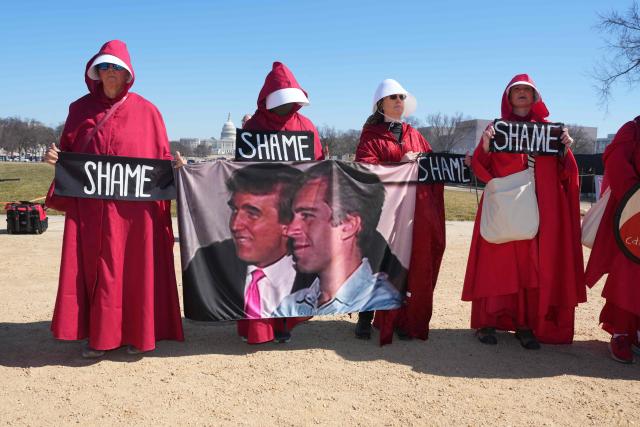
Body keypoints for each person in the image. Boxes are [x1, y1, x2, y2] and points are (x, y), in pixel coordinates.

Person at [43, 40, 183, 358]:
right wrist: (55, 158)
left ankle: (136, 333)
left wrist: (176, 168)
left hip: (134, 214)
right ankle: (98, 335)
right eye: (104, 66)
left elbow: (160, 161)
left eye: (116, 67)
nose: (109, 73)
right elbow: (69, 155)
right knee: (95, 270)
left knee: (134, 271)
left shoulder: (148, 112)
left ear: (127, 74)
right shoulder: (78, 109)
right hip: (92, 210)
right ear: (95, 71)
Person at [462, 74, 585, 349]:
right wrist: (484, 147)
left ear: (535, 97)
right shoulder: (497, 129)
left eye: (526, 90)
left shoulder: (550, 131)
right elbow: (483, 170)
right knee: (499, 260)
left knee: (532, 265)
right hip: (505, 205)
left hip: (539, 208)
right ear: (508, 97)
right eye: (516, 89)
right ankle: (488, 321)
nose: (521, 93)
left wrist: (565, 148)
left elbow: (567, 173)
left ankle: (524, 322)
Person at [237, 61, 325, 343]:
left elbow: (317, 164)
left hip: (295, 210)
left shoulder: (306, 125)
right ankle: (259, 326)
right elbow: (242, 169)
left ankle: (284, 322)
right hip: (263, 211)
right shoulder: (254, 126)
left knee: (291, 270)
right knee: (261, 270)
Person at [354, 79, 446, 344]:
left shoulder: (414, 134)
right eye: (392, 97)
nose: (398, 101)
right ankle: (365, 316)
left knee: (405, 265)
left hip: (409, 213)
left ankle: (400, 318)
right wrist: (398, 162)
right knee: (376, 263)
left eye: (401, 97)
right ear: (381, 102)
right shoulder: (370, 135)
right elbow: (365, 168)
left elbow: (431, 165)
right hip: (383, 212)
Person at [182, 164, 315, 322]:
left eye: (252, 214)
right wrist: (185, 170)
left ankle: (280, 326)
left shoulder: (320, 275)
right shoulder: (207, 260)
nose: (235, 225)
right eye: (235, 210)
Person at [274, 162, 402, 316]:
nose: (290, 230)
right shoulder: (290, 304)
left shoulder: (384, 300)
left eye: (307, 215)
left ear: (348, 225)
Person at [585, 117, 640, 363]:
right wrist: (635, 196)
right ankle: (621, 331)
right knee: (628, 273)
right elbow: (617, 163)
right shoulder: (633, 129)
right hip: (633, 213)